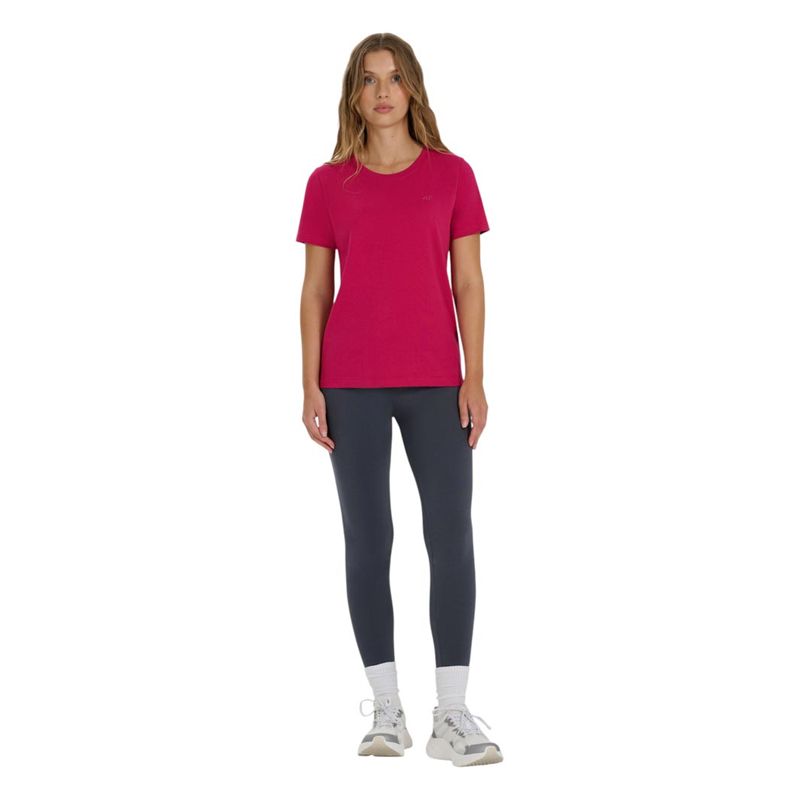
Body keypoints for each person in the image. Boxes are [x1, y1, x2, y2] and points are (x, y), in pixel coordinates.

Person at [296, 33, 503, 767]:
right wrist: (310, 381)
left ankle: (453, 712)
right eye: (368, 79)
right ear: (353, 94)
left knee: (450, 534)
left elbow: (468, 282)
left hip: (437, 379)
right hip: (350, 381)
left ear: (412, 87)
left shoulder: (453, 174)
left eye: (393, 78)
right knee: (368, 537)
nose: (382, 91)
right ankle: (387, 709)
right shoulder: (329, 183)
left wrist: (474, 375)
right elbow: (315, 290)